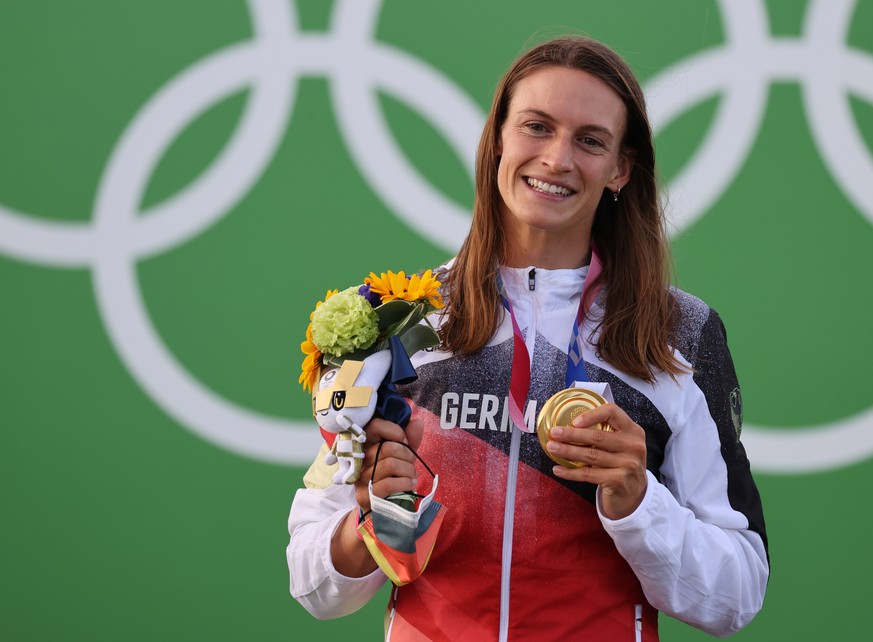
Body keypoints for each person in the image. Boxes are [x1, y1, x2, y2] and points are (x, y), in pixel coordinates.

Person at [287, 36, 769, 641]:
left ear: (621, 168)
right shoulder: (401, 320)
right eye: (536, 127)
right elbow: (312, 582)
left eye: (590, 140)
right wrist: (370, 518)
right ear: (499, 142)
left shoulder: (678, 332)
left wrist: (638, 501)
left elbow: (737, 594)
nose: (557, 159)